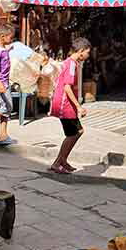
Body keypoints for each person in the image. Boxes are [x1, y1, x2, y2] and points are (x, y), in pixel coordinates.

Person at [49, 37, 91, 175]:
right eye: (87, 53)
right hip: (64, 104)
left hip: (65, 103)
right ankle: (57, 163)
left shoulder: (71, 62)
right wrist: (78, 106)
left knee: (76, 132)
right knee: (74, 133)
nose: (88, 56)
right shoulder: (72, 64)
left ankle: (62, 160)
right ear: (80, 51)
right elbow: (67, 87)